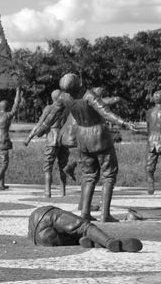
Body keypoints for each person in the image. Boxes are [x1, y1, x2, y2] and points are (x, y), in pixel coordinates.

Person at [30, 74, 137, 222]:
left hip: (82, 139)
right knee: (109, 174)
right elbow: (105, 112)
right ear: (79, 83)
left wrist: (42, 128)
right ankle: (105, 214)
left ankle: (85, 213)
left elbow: (52, 115)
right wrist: (124, 123)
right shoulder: (89, 96)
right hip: (99, 137)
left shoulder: (64, 97)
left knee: (89, 176)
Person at [27, 205, 143, 253]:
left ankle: (94, 242)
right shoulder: (56, 214)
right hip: (46, 217)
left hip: (39, 239)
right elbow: (84, 226)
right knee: (84, 227)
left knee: (74, 236)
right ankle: (109, 242)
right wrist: (109, 241)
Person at [25, 89, 75, 197]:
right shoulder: (67, 109)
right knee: (63, 166)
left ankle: (47, 191)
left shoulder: (49, 108)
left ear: (53, 98)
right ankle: (63, 192)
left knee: (47, 167)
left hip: (52, 139)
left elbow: (40, 124)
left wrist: (29, 138)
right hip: (63, 139)